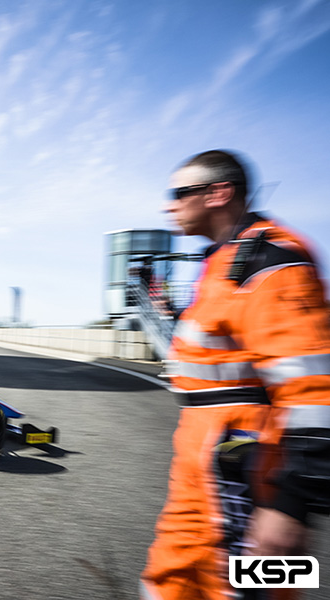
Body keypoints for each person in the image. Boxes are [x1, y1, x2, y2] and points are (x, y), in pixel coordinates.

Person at [140, 150, 330, 600]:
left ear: (217, 194)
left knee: (251, 593)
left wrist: (288, 507)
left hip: (249, 475)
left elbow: (315, 389)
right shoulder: (223, 262)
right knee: (168, 581)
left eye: (178, 194)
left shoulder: (270, 260)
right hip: (200, 466)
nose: (169, 205)